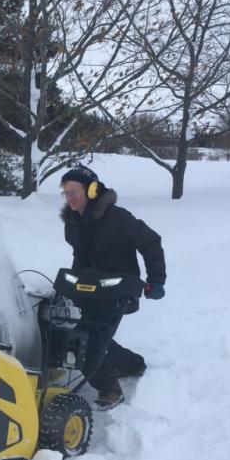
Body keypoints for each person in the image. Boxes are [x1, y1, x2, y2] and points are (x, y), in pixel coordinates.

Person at [60, 165, 166, 409]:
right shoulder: (73, 222)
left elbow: (151, 242)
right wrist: (72, 283)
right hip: (90, 288)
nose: (70, 199)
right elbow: (80, 255)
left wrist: (156, 280)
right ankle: (133, 365)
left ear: (92, 190)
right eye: (66, 193)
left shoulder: (117, 218)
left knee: (89, 342)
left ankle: (110, 389)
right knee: (94, 335)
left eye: (74, 192)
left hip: (119, 289)